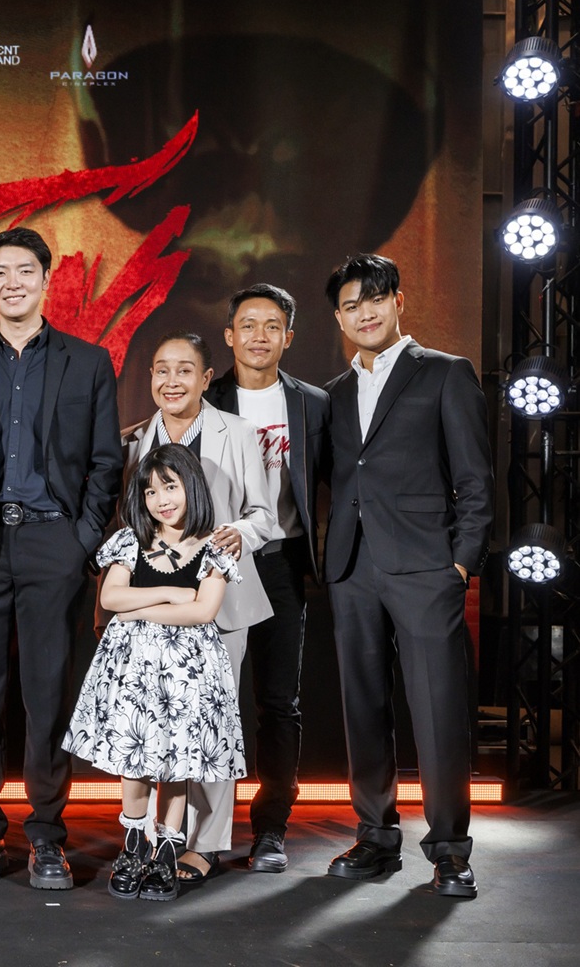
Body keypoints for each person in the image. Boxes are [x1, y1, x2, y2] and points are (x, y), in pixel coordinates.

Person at [0, 227, 123, 890]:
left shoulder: (88, 362)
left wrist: (80, 541)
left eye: (25, 270)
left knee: (48, 698)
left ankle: (47, 835)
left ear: (47, 280)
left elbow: (106, 462)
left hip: (53, 544)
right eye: (0, 271)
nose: (12, 282)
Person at [321, 253, 492, 898]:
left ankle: (449, 849)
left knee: (439, 709)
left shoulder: (445, 373)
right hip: (352, 567)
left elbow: (476, 479)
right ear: (339, 319)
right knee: (362, 706)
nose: (363, 313)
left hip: (426, 566)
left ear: (398, 301)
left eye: (374, 299)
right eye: (350, 305)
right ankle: (375, 836)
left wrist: (461, 563)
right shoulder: (335, 393)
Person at [64, 443, 245, 902]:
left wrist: (138, 610)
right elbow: (111, 598)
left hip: (188, 673)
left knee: (176, 761)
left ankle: (167, 848)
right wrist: (170, 593)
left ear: (191, 487)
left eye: (170, 487)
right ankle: (133, 846)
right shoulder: (130, 541)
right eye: (149, 492)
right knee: (135, 757)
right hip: (134, 671)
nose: (161, 499)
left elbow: (203, 611)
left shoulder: (213, 547)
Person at [123, 331, 274, 881]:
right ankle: (157, 838)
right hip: (155, 606)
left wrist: (238, 533)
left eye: (184, 370)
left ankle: (204, 844)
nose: (172, 381)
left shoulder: (239, 432)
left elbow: (264, 515)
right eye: (162, 370)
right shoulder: (136, 439)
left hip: (219, 600)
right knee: (157, 724)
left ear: (207, 378)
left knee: (209, 724)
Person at [204, 284, 330, 872]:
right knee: (210, 698)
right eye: (248, 325)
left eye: (272, 326)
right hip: (214, 565)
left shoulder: (312, 404)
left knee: (279, 701)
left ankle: (271, 829)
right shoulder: (207, 398)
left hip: (281, 562)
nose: (260, 336)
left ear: (289, 337)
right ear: (229, 335)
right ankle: (202, 833)